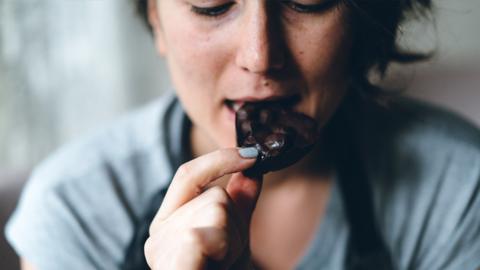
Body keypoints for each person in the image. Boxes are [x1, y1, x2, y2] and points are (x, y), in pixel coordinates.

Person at [5, 0, 480, 269]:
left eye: (309, 2)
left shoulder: (456, 187)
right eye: (211, 5)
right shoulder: (74, 210)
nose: (260, 54)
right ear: (155, 18)